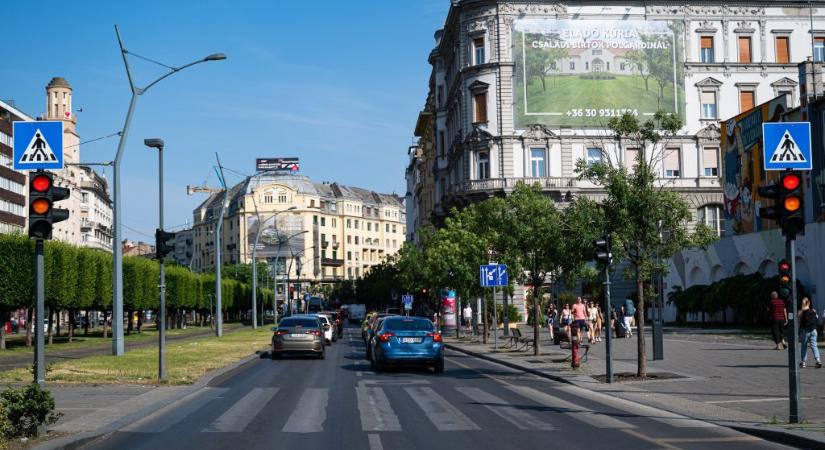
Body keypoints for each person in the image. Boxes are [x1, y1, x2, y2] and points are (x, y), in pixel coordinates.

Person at [799, 297, 821, 368]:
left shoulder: (801, 312)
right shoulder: (813, 311)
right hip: (814, 330)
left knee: (804, 346)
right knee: (814, 345)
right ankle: (818, 360)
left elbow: (799, 321)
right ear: (809, 303)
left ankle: (803, 362)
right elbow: (816, 318)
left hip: (805, 331)